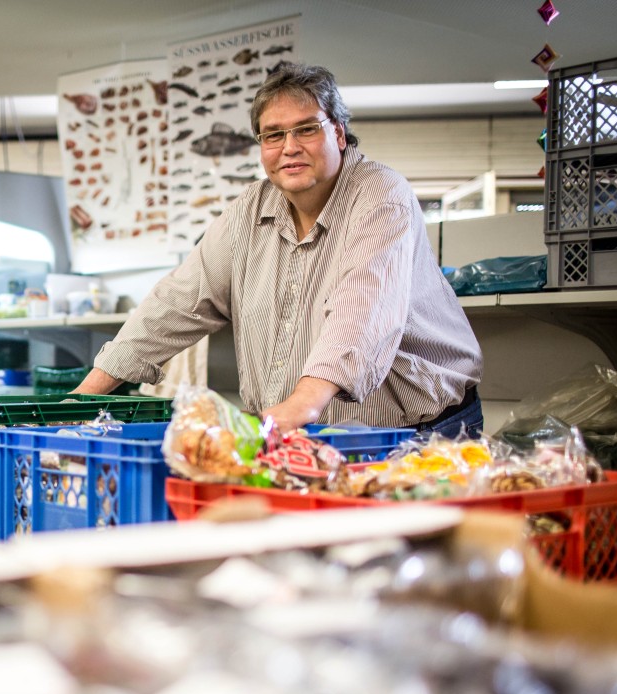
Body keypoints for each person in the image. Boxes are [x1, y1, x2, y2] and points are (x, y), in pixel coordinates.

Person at [76, 62, 484, 439]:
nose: (289, 147)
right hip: (300, 432)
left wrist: (301, 404)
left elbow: (363, 308)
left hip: (421, 432)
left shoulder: (380, 195)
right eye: (273, 135)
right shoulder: (248, 211)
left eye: (306, 129)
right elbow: (175, 303)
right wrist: (81, 401)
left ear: (338, 134)